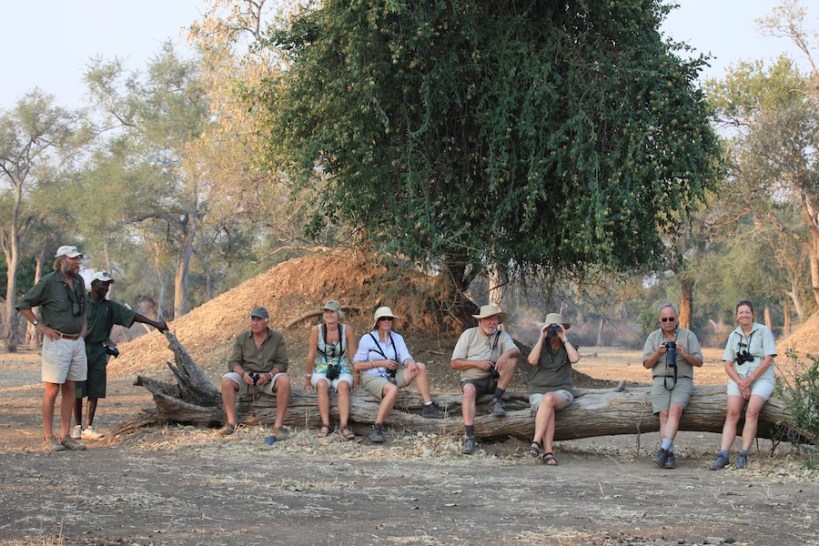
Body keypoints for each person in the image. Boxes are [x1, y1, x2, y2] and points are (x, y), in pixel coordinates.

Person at [72, 271, 168, 440]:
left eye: (108, 284)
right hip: (79, 348)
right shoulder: (81, 302)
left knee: (95, 389)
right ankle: (77, 427)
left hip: (99, 351)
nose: (106, 287)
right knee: (78, 389)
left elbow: (132, 315)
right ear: (94, 284)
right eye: (103, 284)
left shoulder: (109, 307)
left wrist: (155, 324)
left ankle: (89, 427)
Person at [16, 245, 88, 452]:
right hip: (57, 342)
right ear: (61, 260)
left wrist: (83, 327)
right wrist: (41, 326)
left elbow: (83, 307)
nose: (77, 262)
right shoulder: (48, 281)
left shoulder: (80, 281)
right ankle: (49, 437)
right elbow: (23, 305)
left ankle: (66, 436)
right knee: (52, 388)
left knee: (71, 388)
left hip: (76, 342)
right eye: (73, 259)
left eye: (78, 259)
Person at [353, 306, 446, 443]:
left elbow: (405, 356)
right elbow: (356, 365)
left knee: (420, 367)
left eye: (389, 318)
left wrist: (409, 363)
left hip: (391, 376)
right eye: (383, 319)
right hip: (372, 377)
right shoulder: (367, 339)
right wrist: (380, 363)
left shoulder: (397, 338)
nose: (386, 321)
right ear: (377, 322)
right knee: (393, 389)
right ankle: (377, 427)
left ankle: (428, 405)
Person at [710, 300, 777, 470]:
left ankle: (743, 453)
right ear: (737, 316)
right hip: (739, 379)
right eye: (741, 312)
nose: (744, 315)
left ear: (753, 314)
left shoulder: (763, 332)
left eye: (747, 312)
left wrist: (750, 380)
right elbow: (728, 364)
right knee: (732, 412)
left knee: (752, 410)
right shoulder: (733, 336)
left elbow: (768, 359)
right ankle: (723, 454)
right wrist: (741, 383)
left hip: (761, 378)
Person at [451, 304, 520, 455]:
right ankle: (469, 436)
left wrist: (506, 354)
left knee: (512, 359)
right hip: (472, 379)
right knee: (469, 391)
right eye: (488, 319)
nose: (492, 322)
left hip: (494, 380)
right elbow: (454, 363)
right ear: (480, 321)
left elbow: (516, 350)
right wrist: (477, 363)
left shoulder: (502, 335)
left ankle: (496, 399)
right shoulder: (468, 334)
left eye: (494, 319)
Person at [642, 302, 704, 469]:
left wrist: (684, 354)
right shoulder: (653, 337)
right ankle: (669, 455)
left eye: (671, 318)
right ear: (659, 320)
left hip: (682, 379)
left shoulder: (688, 336)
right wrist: (658, 353)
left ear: (677, 318)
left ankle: (662, 450)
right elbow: (647, 364)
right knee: (664, 414)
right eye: (664, 319)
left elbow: (699, 362)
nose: (668, 322)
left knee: (675, 410)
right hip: (660, 379)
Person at [218, 306, 290, 439]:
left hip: (268, 378)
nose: (254, 323)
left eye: (259, 320)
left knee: (284, 379)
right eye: (253, 319)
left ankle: (278, 425)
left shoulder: (277, 338)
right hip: (247, 378)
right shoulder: (242, 338)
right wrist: (243, 374)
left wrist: (268, 375)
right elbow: (233, 363)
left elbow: (282, 364)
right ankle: (231, 423)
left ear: (267, 322)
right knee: (226, 379)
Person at [526, 313, 580, 465]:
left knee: (548, 398)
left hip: (562, 391)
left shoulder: (568, 345)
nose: (552, 333)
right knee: (547, 403)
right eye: (550, 329)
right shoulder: (539, 344)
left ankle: (536, 442)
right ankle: (548, 453)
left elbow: (575, 359)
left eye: (555, 329)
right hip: (538, 391)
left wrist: (564, 338)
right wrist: (541, 337)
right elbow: (532, 360)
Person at [304, 300, 358, 440]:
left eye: (332, 311)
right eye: (326, 311)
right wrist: (308, 377)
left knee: (344, 386)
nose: (329, 314)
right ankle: (326, 424)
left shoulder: (347, 329)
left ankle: (344, 426)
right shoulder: (316, 330)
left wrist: (357, 374)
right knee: (322, 385)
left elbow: (353, 354)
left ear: (339, 314)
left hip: (341, 366)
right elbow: (311, 355)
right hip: (322, 367)